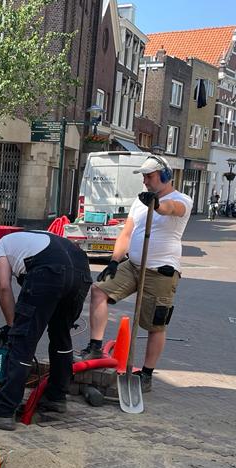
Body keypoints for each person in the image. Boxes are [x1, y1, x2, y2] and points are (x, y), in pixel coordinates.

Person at [80, 155, 193, 392]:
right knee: (98, 290)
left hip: (161, 271)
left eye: (149, 176)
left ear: (164, 176)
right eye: (143, 176)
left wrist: (157, 205)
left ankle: (147, 374)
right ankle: (95, 345)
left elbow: (172, 209)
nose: (145, 182)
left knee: (155, 324)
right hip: (132, 265)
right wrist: (113, 261)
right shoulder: (139, 201)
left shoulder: (182, 199)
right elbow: (127, 234)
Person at [0, 231, 92, 431]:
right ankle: (56, 397)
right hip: (81, 272)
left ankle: (2, 411)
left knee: (22, 340)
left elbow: (3, 287)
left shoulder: (2, 245)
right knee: (61, 337)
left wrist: (12, 326)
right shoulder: (37, 239)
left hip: (49, 270)